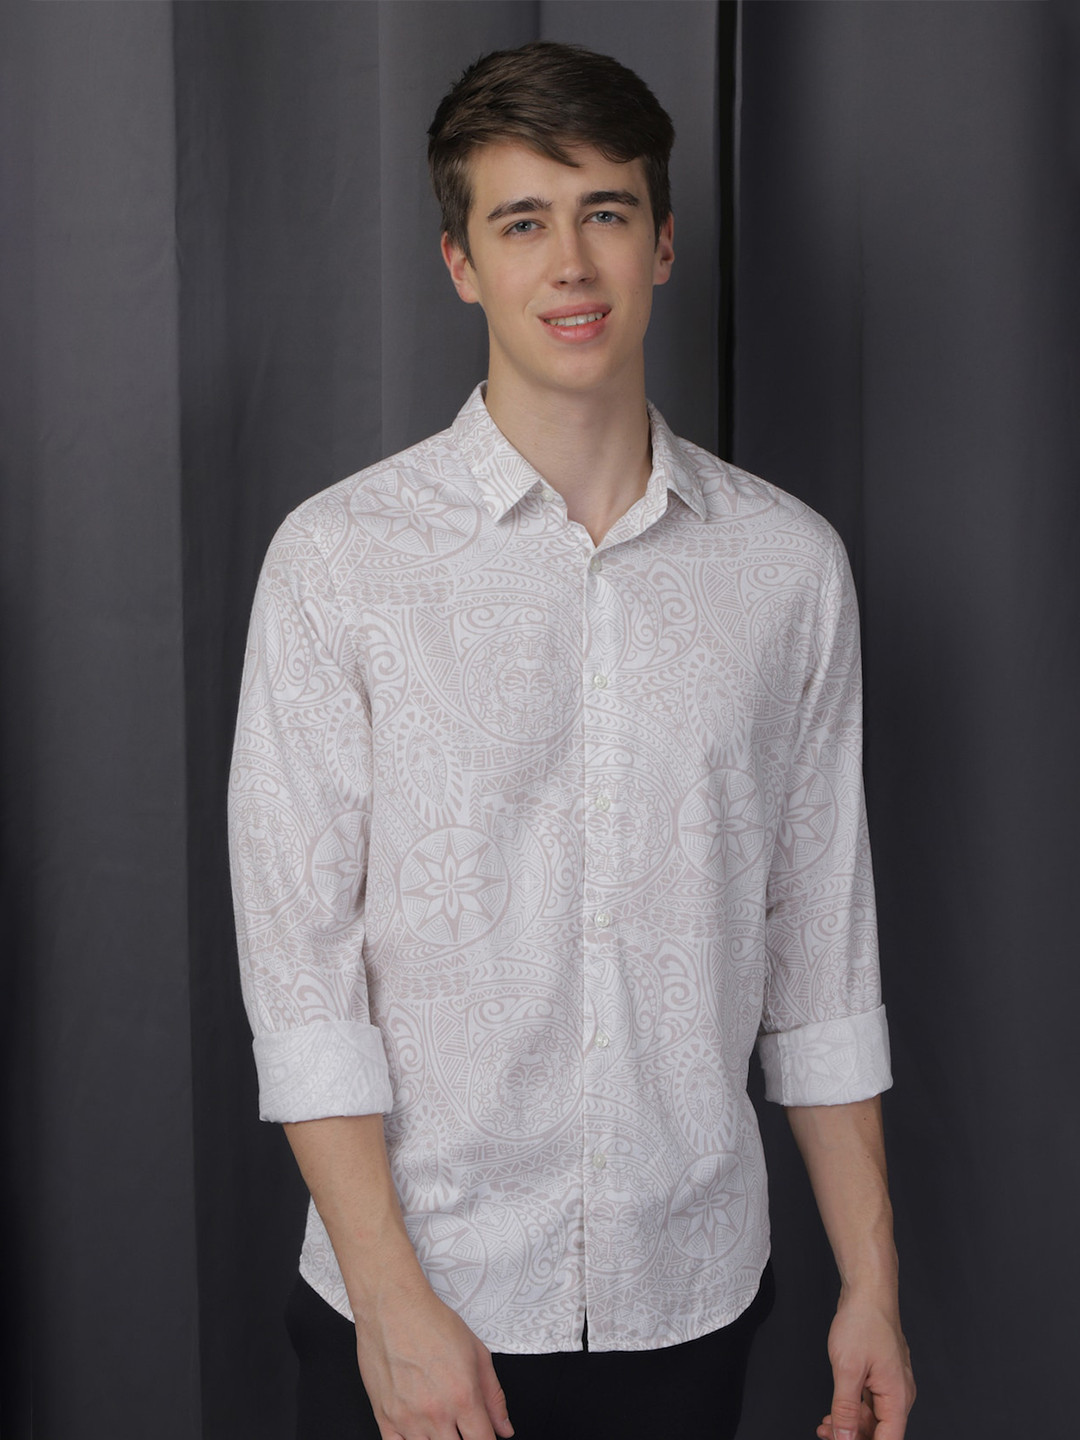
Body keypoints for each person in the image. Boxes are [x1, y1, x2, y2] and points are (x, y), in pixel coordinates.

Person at [228, 39, 915, 1440]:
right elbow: (303, 985)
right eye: (522, 222)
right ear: (461, 263)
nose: (571, 264)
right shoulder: (339, 562)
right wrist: (393, 1303)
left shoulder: (788, 569)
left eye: (605, 211)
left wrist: (872, 1283)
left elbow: (822, 958)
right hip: (419, 1304)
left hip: (691, 1297)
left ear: (662, 243)